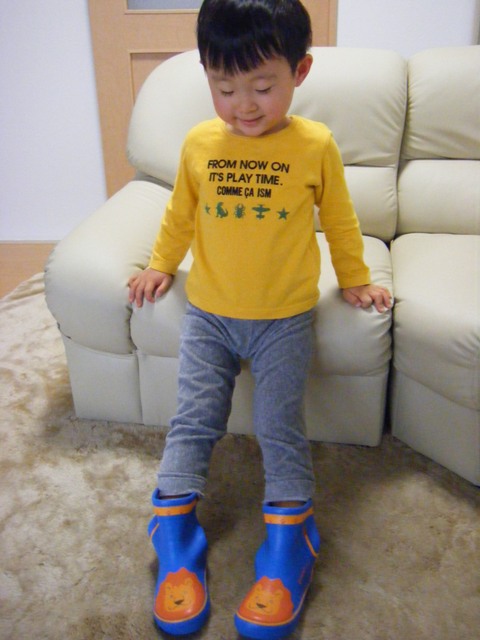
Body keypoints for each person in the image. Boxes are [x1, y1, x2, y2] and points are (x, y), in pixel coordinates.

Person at [128, 1, 392, 637]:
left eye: (262, 86)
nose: (243, 105)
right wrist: (160, 264)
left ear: (299, 72)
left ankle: (290, 541)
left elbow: (341, 220)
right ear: (208, 76)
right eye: (225, 88)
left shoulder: (315, 145)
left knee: (279, 427)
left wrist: (356, 278)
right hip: (210, 315)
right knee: (194, 419)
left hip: (284, 319)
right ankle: (173, 528)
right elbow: (180, 216)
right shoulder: (200, 143)